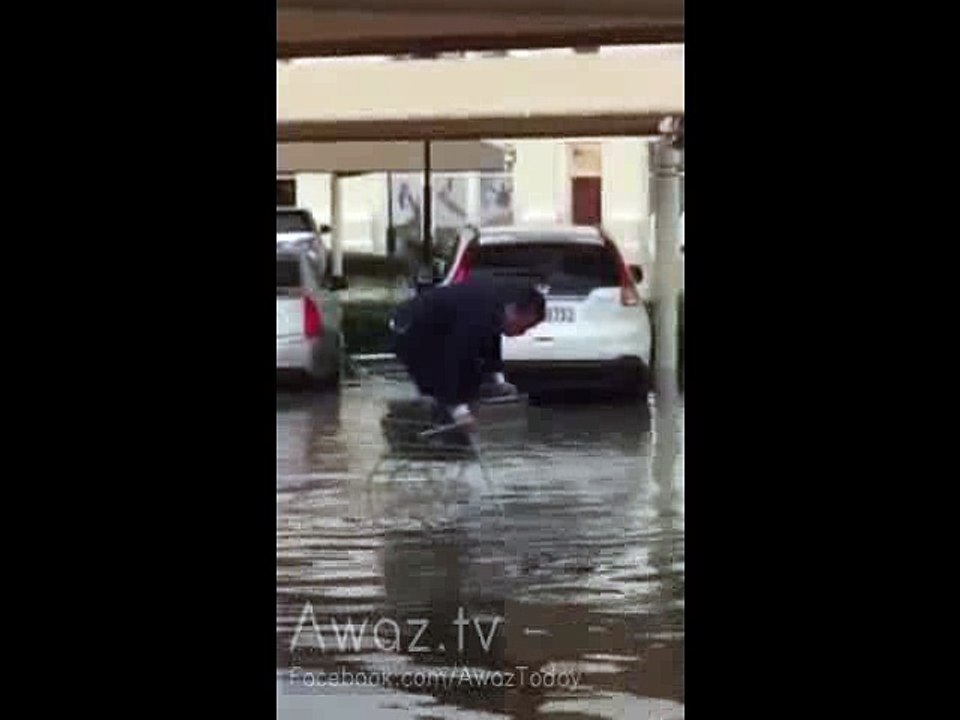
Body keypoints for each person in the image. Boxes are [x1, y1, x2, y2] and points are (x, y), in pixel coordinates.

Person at [389, 279, 546, 432]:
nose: (522, 333)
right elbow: (454, 357)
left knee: (473, 379)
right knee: (443, 382)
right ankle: (433, 423)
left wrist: (498, 381)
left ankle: (456, 415)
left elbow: (491, 344)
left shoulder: (496, 307)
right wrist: (459, 410)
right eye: (524, 327)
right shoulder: (478, 315)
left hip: (442, 331)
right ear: (514, 311)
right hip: (411, 331)